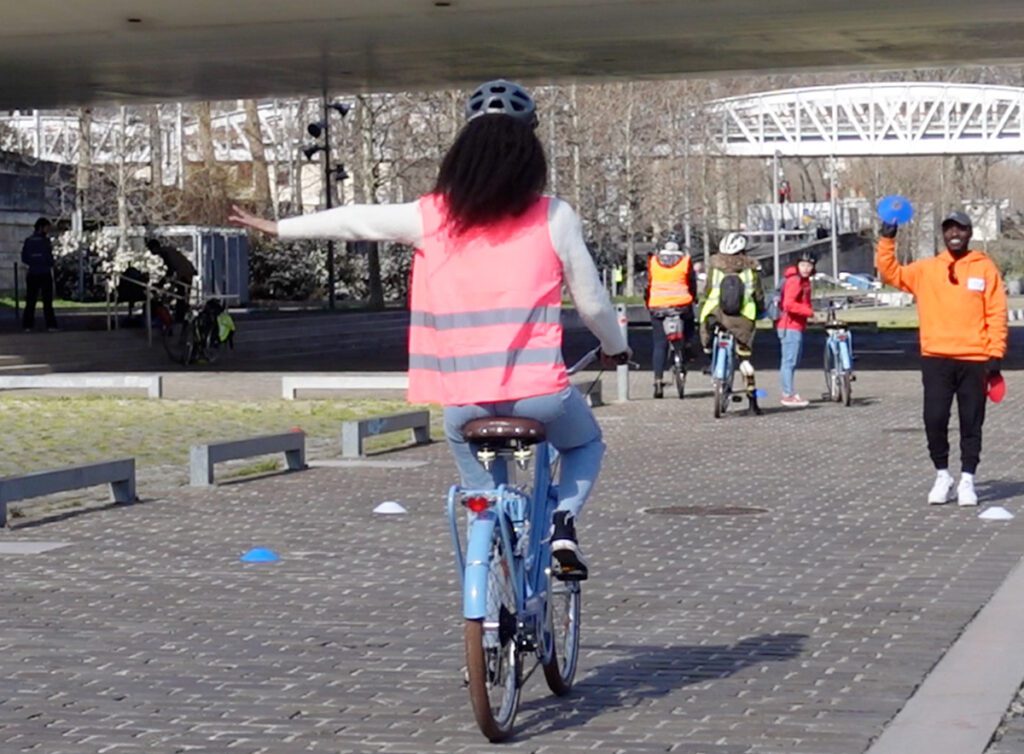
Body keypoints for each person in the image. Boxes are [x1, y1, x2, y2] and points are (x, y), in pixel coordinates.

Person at [229, 79, 630, 580]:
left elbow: (355, 220)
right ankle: (562, 523)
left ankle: (486, 526)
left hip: (464, 402)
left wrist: (277, 227)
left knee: (472, 466)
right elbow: (593, 305)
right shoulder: (554, 216)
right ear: (532, 153)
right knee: (585, 444)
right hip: (540, 398)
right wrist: (616, 347)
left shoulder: (432, 216)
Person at [876, 211, 1007, 506]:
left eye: (960, 229)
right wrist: (887, 239)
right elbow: (890, 273)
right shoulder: (927, 269)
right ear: (943, 235)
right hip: (936, 358)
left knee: (971, 422)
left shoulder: (984, 268)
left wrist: (995, 354)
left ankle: (967, 480)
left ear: (970, 233)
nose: (954, 234)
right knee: (934, 418)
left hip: (975, 359)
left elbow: (996, 313)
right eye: (949, 229)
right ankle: (942, 475)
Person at [699, 232, 765, 413]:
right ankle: (753, 402)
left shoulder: (715, 267)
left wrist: (703, 304)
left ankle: (710, 357)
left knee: (707, 334)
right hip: (743, 317)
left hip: (716, 312)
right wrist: (760, 310)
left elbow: (707, 290)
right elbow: (758, 294)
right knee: (744, 359)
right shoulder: (751, 269)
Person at [645, 240, 697, 398]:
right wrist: (694, 297)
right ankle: (687, 346)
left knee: (659, 344)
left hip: (657, 307)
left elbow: (648, 284)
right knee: (689, 325)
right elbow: (691, 283)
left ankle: (658, 381)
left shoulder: (653, 262)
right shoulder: (685, 262)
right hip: (681, 306)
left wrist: (648, 301)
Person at [777, 252, 816, 407]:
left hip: (795, 325)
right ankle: (788, 394)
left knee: (792, 361)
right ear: (797, 265)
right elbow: (788, 304)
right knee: (789, 361)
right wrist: (809, 312)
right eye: (803, 265)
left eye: (809, 265)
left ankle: (788, 392)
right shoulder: (795, 281)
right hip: (789, 326)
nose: (806, 268)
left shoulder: (803, 281)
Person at [21, 217, 58, 332]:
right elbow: (49, 257)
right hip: (44, 272)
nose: (48, 230)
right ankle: (50, 325)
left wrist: (33, 262)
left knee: (31, 300)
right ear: (41, 227)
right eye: (46, 228)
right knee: (47, 301)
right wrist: (49, 263)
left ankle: (28, 325)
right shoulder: (45, 241)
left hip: (32, 272)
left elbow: (24, 257)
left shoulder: (29, 240)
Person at [146, 238, 196, 322]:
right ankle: (180, 315)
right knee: (180, 295)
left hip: (184, 273)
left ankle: (180, 317)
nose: (151, 252)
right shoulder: (166, 251)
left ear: (155, 247)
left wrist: (161, 283)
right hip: (184, 272)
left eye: (151, 249)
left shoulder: (165, 252)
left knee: (181, 295)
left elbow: (170, 269)